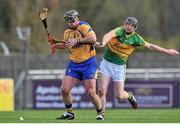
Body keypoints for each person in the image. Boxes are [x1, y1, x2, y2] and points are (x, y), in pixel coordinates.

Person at [95, 17, 179, 118]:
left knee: (119, 95)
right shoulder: (119, 31)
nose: (129, 27)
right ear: (124, 24)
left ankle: (130, 96)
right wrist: (103, 43)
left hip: (119, 68)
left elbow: (150, 46)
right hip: (106, 64)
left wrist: (166, 51)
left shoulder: (136, 38)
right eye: (127, 24)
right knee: (101, 90)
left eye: (132, 25)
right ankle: (101, 114)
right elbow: (108, 35)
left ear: (135, 28)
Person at [53, 10, 104, 120]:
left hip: (89, 63)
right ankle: (69, 113)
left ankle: (100, 113)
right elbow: (65, 45)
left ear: (78, 19)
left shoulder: (84, 26)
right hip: (74, 64)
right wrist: (55, 45)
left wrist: (77, 41)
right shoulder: (67, 32)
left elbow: (93, 39)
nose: (70, 23)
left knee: (91, 92)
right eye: (68, 21)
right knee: (64, 90)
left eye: (72, 21)